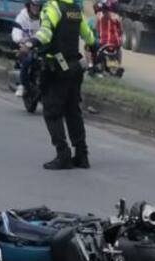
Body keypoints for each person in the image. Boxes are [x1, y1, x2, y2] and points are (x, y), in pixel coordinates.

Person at [30, 0, 97, 170]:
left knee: (52, 113)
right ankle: (82, 155)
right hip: (74, 67)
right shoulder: (75, 9)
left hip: (57, 68)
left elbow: (45, 33)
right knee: (73, 112)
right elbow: (89, 36)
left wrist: (32, 42)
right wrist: (93, 44)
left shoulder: (53, 7)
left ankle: (63, 155)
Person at [12, 0, 42, 97]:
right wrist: (22, 40)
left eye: (38, 5)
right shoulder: (22, 17)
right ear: (29, 5)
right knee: (27, 60)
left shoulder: (43, 17)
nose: (36, 8)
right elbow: (16, 34)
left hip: (40, 46)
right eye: (34, 5)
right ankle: (22, 85)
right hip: (26, 46)